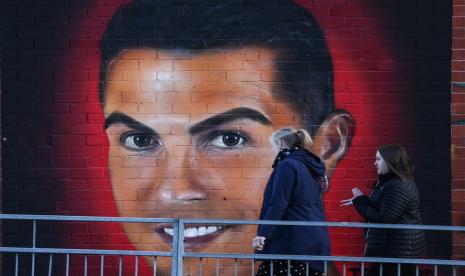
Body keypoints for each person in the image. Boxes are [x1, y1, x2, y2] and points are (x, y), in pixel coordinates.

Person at [100, 0, 354, 274]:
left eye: (229, 139)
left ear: (327, 146)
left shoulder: (291, 167)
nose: (174, 191)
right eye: (139, 140)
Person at [252, 128, 330, 276]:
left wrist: (263, 234)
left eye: (273, 146)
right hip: (313, 238)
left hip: (291, 241)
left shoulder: (287, 165)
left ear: (280, 143)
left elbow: (278, 203)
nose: (273, 151)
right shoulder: (310, 166)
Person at [341, 144, 425, 276]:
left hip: (396, 253)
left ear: (390, 161)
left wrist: (360, 201)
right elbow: (383, 208)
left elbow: (384, 218)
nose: (375, 163)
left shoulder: (397, 186)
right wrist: (360, 199)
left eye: (378, 159)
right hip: (394, 251)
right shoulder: (390, 183)